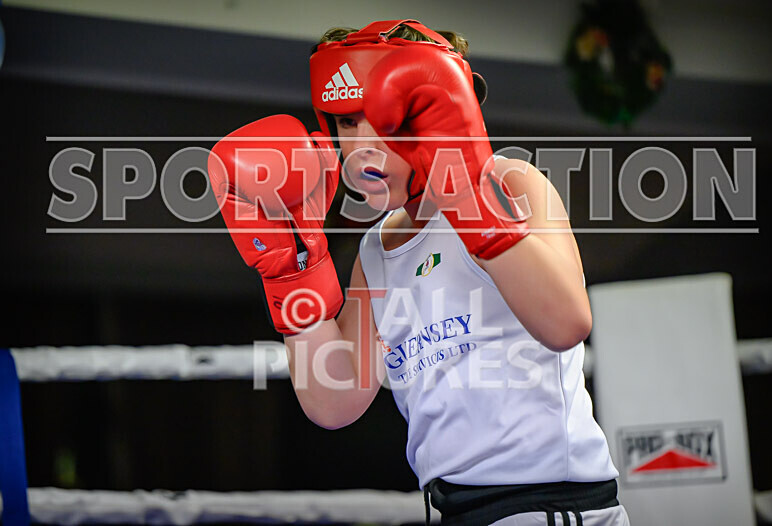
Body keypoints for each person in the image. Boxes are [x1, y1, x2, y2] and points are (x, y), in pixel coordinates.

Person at [208, 19, 629, 526]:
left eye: (386, 118)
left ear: (440, 112)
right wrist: (291, 266)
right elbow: (333, 401)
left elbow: (566, 322)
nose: (362, 145)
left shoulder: (512, 184)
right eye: (346, 121)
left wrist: (463, 188)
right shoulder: (378, 247)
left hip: (551, 506)